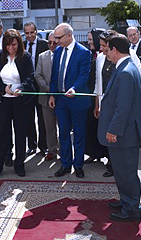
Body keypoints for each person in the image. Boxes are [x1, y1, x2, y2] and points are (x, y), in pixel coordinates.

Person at [97, 34, 141, 221]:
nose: (105, 52)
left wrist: (113, 130)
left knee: (127, 173)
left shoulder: (125, 72)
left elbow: (123, 107)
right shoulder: (125, 67)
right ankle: (126, 200)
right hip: (124, 132)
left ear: (115, 50)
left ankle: (132, 208)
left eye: (107, 49)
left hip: (124, 133)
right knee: (121, 171)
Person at [0, 29, 36, 178]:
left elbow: (30, 77)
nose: (11, 48)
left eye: (14, 45)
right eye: (8, 45)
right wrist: (3, 88)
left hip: (21, 101)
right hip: (3, 101)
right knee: (2, 133)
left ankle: (19, 164)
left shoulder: (25, 56)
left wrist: (21, 88)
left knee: (20, 133)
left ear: (19, 44)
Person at [49, 23, 91, 178]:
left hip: (77, 100)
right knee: (64, 133)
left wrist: (74, 88)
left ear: (69, 35)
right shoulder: (58, 51)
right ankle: (65, 164)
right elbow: (54, 76)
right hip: (61, 100)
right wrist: (52, 95)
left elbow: (84, 75)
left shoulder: (83, 52)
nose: (56, 41)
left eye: (58, 38)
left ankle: (78, 165)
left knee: (79, 134)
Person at [23, 21, 49, 157]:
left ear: (36, 31)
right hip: (27, 87)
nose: (29, 36)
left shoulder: (44, 44)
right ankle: (31, 145)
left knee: (42, 117)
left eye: (31, 32)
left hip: (41, 86)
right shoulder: (21, 46)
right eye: (27, 33)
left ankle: (43, 145)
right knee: (28, 117)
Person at [34, 32, 59, 161]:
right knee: (49, 126)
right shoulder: (42, 56)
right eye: (49, 42)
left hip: (62, 97)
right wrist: (49, 89)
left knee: (64, 126)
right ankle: (52, 149)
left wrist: (56, 91)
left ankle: (65, 150)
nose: (52, 45)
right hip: (45, 96)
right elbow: (38, 75)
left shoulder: (63, 55)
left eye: (55, 42)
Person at [84, 28, 105, 164]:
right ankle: (93, 153)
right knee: (91, 127)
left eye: (91, 39)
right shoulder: (89, 55)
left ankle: (107, 156)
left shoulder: (106, 55)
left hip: (102, 97)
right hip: (89, 98)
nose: (89, 42)